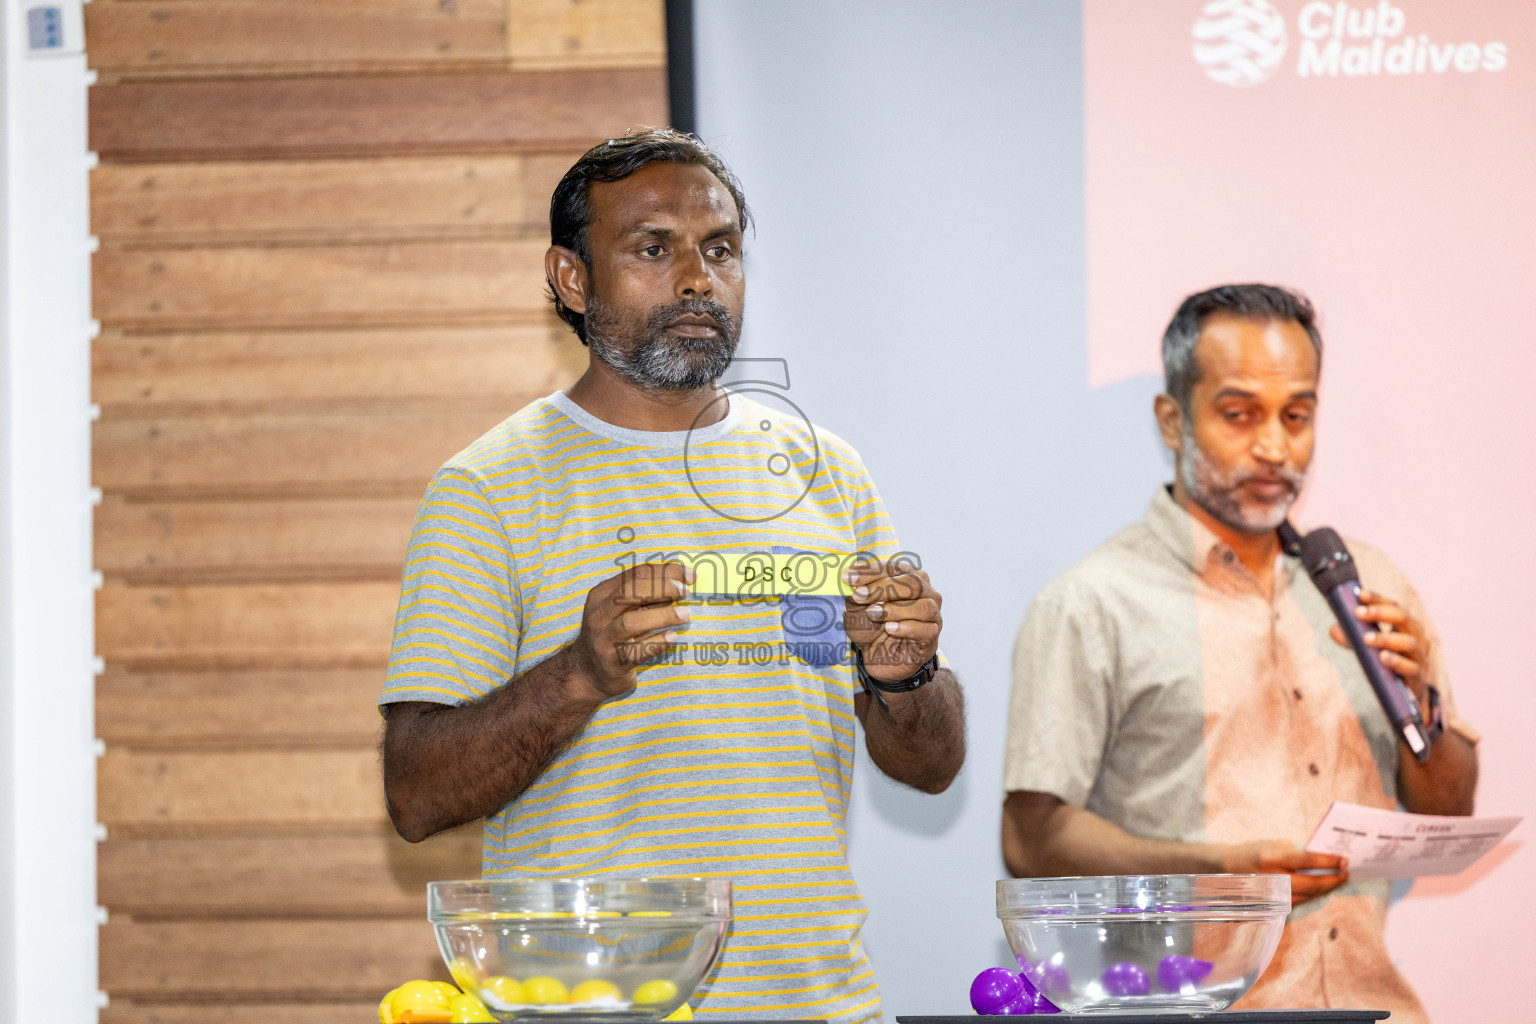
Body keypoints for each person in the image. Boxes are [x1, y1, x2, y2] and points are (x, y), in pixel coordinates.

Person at [379, 128, 966, 1024]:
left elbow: (929, 767)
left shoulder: (826, 469)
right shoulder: (488, 486)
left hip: (826, 1005)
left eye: (720, 250)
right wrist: (579, 676)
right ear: (571, 278)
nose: (699, 278)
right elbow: (416, 793)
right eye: (655, 248)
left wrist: (907, 676)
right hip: (598, 1009)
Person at [1001, 284, 1479, 1021]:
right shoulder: (1092, 602)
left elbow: (1446, 812)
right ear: (1173, 418)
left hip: (1373, 1006)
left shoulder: (1366, 585)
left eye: (1297, 416)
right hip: (1190, 1009)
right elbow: (1031, 840)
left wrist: (1425, 708)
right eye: (1238, 414)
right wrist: (1224, 872)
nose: (1273, 447)